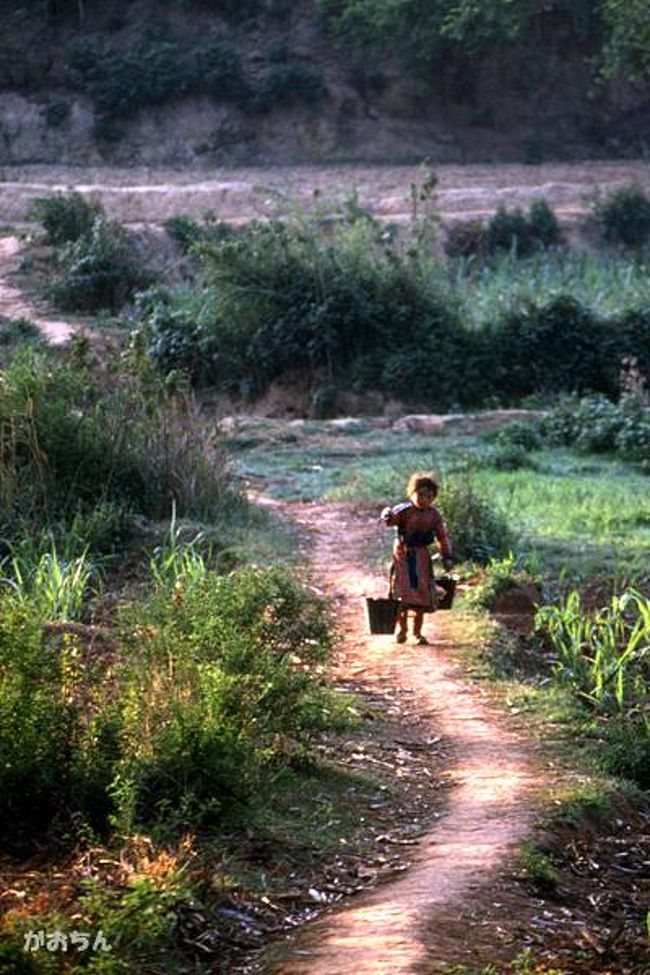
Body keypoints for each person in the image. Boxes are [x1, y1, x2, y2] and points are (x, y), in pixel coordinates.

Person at [380, 471, 454, 645]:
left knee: (422, 594)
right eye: (420, 495)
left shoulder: (434, 515)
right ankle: (402, 630)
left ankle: (417, 633)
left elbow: (442, 537)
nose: (424, 499)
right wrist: (386, 514)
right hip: (403, 555)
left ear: (433, 498)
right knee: (402, 594)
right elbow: (389, 521)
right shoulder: (404, 510)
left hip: (421, 556)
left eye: (429, 496)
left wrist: (447, 557)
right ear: (412, 494)